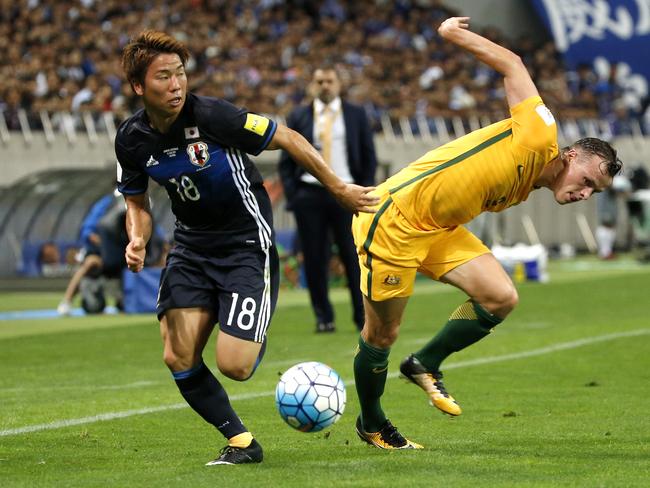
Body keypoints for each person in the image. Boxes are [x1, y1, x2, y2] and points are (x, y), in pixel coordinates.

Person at [351, 17, 623, 450]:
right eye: (586, 179)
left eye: (595, 191)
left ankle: (425, 363)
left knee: (501, 296)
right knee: (381, 334)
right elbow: (513, 65)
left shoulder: (534, 180)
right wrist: (453, 34)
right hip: (394, 220)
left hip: (439, 230)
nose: (585, 192)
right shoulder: (539, 137)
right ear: (570, 155)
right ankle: (372, 422)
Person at [115, 30, 378, 466]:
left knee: (234, 365)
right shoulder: (131, 138)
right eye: (164, 77)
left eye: (180, 73)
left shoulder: (214, 116)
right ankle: (241, 442)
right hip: (191, 247)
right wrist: (137, 237)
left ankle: (250, 327)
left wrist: (338, 189)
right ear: (139, 86)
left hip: (244, 244)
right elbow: (135, 200)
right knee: (176, 354)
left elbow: (290, 138)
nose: (176, 84)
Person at [279, 65, 378, 333]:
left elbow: (369, 156)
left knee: (354, 257)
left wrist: (365, 190)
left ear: (338, 84)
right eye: (319, 81)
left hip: (347, 192)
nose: (325, 86)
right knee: (314, 258)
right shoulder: (299, 116)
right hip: (310, 194)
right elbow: (286, 161)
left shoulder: (356, 115)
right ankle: (324, 317)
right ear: (313, 84)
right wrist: (295, 195)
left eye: (329, 81)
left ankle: (362, 317)